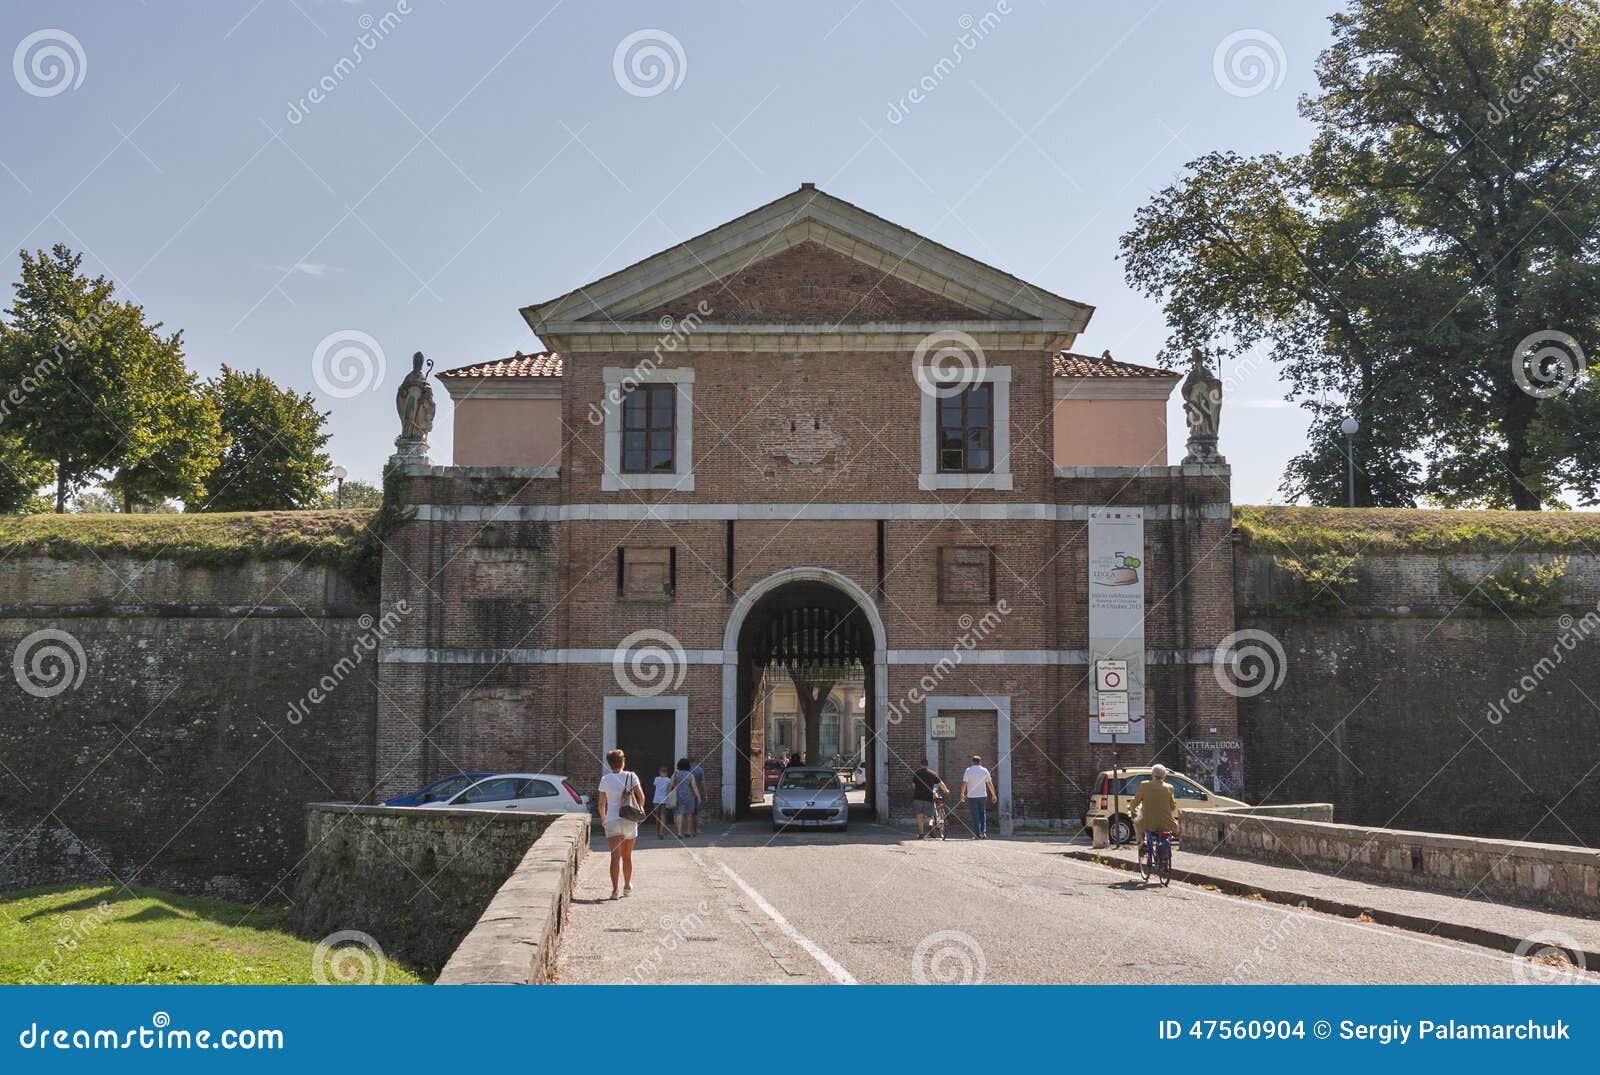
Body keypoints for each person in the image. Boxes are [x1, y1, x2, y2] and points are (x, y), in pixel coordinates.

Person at [596, 748, 644, 899]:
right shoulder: (631, 776)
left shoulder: (605, 779)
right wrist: (638, 810)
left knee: (614, 857)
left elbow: (601, 803)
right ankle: (627, 886)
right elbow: (641, 797)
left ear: (609, 763)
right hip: (629, 819)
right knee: (627, 856)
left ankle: (615, 890)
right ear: (622, 761)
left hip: (612, 819)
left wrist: (603, 819)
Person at [1132, 763, 1180, 860]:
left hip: (1147, 822)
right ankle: (1164, 857)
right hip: (1166, 822)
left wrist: (1133, 809)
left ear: (1152, 774)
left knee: (1136, 821)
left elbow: (1136, 801)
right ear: (1164, 776)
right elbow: (1173, 806)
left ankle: (1142, 842)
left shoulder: (1144, 785)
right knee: (1165, 833)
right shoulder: (1169, 787)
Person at [960, 754, 998, 839]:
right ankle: (983, 832)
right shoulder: (984, 770)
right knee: (982, 814)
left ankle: (977, 834)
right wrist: (993, 795)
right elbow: (989, 784)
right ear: (980, 762)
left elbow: (964, 783)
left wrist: (962, 794)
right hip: (982, 795)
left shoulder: (968, 770)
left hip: (972, 796)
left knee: (975, 815)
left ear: (972, 762)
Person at [911, 758, 950, 839]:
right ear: (927, 765)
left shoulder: (916, 773)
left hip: (918, 797)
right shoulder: (932, 773)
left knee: (919, 815)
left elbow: (913, 786)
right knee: (930, 815)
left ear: (920, 764)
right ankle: (930, 824)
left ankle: (921, 833)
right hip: (928, 797)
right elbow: (941, 783)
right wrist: (946, 790)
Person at [669, 758, 699, 839]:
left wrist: (669, 793)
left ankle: (679, 833)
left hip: (678, 795)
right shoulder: (690, 774)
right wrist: (698, 796)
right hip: (689, 796)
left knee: (679, 813)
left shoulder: (675, 774)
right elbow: (694, 787)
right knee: (688, 814)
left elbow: (671, 784)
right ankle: (688, 832)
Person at [650, 764, 673, 839]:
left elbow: (654, 785)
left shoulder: (656, 779)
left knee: (657, 816)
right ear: (666, 773)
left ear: (659, 772)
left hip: (656, 799)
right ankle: (661, 832)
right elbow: (670, 787)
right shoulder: (668, 780)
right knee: (663, 816)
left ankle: (657, 831)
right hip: (664, 799)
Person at [688, 756, 708, 836]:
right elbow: (703, 783)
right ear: (696, 761)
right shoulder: (700, 770)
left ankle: (687, 831)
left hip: (687, 794)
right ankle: (695, 831)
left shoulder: (687, 770)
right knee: (695, 813)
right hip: (696, 794)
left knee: (687, 813)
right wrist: (705, 794)